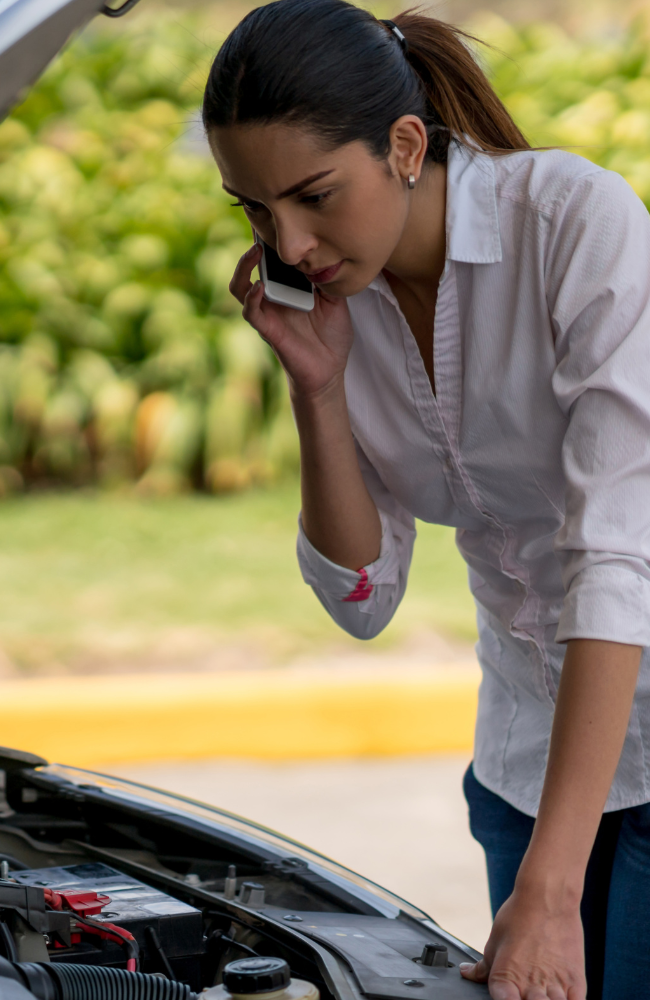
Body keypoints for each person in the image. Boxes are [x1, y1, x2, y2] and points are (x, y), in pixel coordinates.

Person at [202, 3, 650, 999]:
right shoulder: (332, 305)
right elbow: (361, 598)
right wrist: (317, 390)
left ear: (405, 145)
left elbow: (616, 562)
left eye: (315, 195)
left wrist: (546, 891)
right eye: (253, 210)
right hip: (522, 761)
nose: (292, 241)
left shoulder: (574, 226)